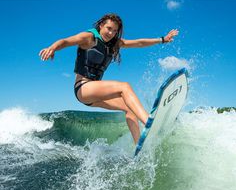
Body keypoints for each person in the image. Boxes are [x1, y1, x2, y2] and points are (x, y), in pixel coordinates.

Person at [39, 13, 178, 144]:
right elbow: (66, 41)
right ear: (101, 26)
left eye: (114, 31)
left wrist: (162, 40)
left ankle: (138, 145)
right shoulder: (88, 38)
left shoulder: (114, 44)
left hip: (94, 94)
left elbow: (139, 43)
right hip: (83, 88)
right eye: (108, 28)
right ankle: (149, 121)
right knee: (124, 86)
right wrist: (52, 48)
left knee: (129, 108)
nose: (111, 33)